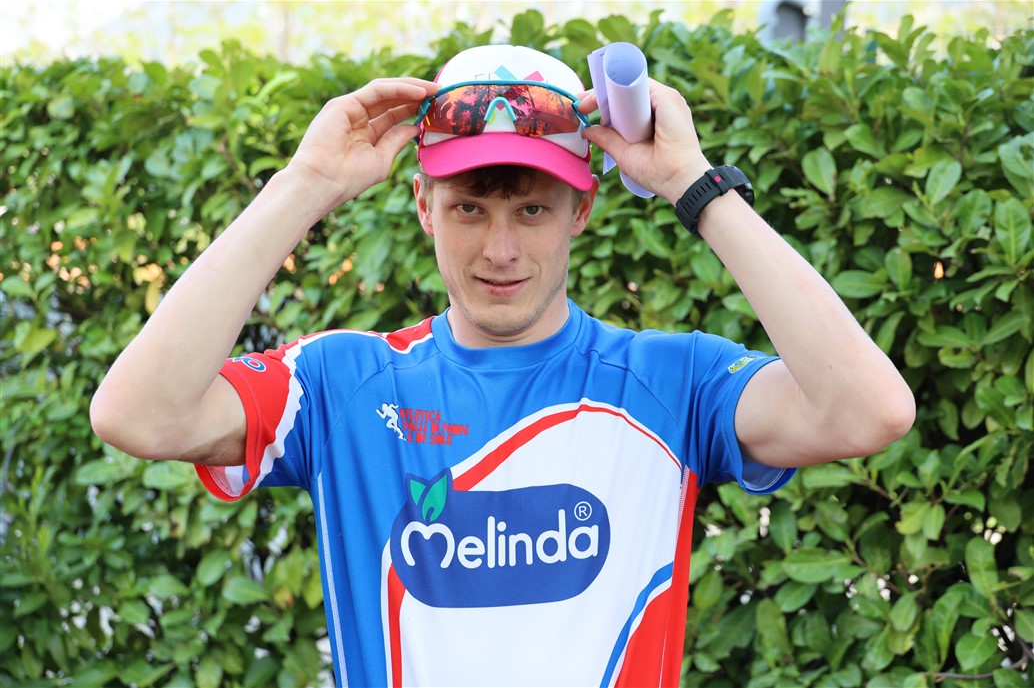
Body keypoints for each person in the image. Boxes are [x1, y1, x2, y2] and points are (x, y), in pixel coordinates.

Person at [90, 44, 915, 687]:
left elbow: (868, 410)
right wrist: (304, 185)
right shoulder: (341, 384)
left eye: (531, 209)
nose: (500, 249)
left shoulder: (671, 383)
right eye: (469, 208)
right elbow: (139, 414)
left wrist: (692, 184)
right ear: (424, 206)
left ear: (580, 211)